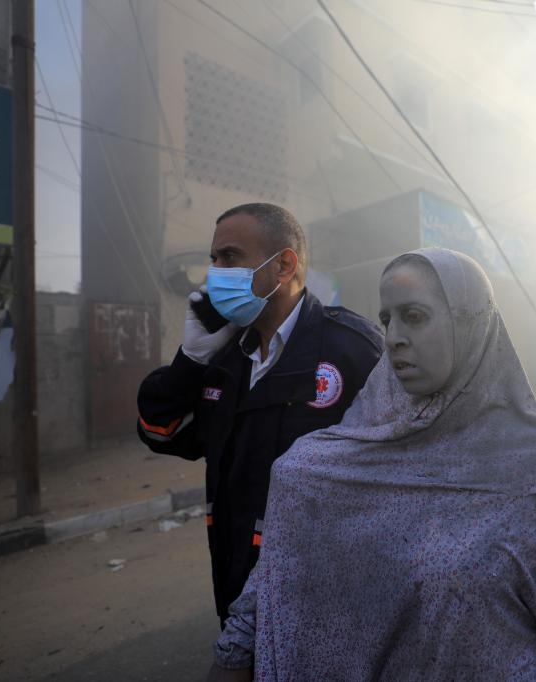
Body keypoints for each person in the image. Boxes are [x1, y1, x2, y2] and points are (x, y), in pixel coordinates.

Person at [208, 248, 536, 681]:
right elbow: (282, 566)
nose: (394, 336)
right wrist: (235, 649)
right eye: (387, 319)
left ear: (470, 325)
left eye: (415, 317)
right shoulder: (342, 454)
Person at [136, 203, 382, 625]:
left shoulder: (352, 352)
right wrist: (190, 360)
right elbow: (161, 432)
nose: (215, 273)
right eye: (213, 260)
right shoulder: (222, 358)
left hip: (329, 600)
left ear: (284, 265)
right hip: (236, 588)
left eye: (229, 257)